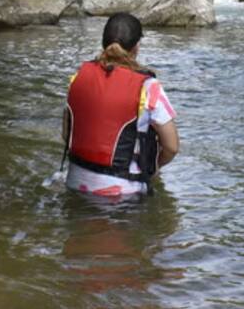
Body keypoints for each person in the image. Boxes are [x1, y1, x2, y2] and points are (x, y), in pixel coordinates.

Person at [62, 13, 179, 197]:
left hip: (75, 183)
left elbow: (66, 133)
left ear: (103, 42)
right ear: (137, 47)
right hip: (124, 195)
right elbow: (171, 147)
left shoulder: (78, 77)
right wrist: (154, 167)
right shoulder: (149, 87)